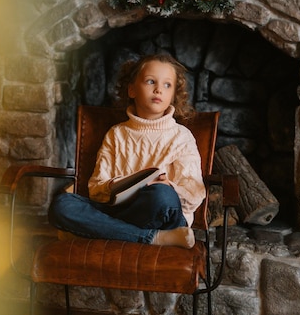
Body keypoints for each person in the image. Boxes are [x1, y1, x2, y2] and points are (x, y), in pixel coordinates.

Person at [48, 53, 206, 248]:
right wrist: (118, 186)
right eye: (150, 81)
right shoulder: (117, 134)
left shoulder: (181, 136)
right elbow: (96, 190)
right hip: (121, 213)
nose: (158, 89)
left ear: (173, 95)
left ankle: (98, 231)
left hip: (162, 214)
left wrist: (169, 186)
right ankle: (151, 238)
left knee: (161, 194)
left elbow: (195, 194)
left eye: (167, 85)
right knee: (63, 205)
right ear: (131, 89)